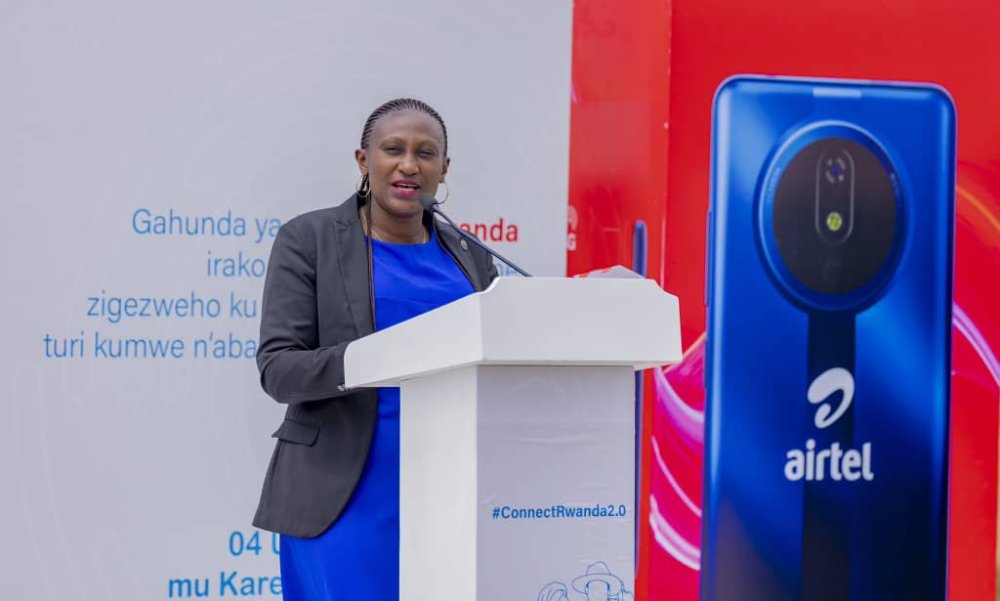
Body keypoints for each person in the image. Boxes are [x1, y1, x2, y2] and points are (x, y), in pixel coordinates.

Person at [252, 98, 498, 600]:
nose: (409, 165)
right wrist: (383, 355)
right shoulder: (310, 239)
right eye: (393, 149)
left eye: (425, 153)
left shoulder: (472, 256)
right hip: (346, 496)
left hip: (455, 492)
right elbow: (279, 369)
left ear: (444, 169)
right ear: (364, 161)